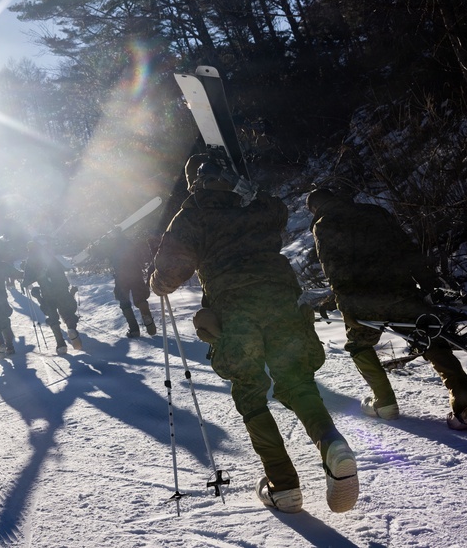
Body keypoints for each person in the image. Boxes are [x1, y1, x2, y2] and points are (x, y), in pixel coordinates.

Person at [149, 153, 359, 514]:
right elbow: (277, 211)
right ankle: (332, 445)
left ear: (194, 182)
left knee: (249, 390)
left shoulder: (193, 212)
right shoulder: (254, 204)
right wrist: (249, 190)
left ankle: (284, 485)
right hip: (281, 297)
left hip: (235, 307)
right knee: (296, 381)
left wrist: (157, 281)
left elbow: (168, 274)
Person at [306, 188, 467, 430]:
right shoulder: (375, 212)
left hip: (363, 301)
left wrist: (340, 301)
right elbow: (408, 250)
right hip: (402, 290)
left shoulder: (324, 225)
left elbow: (335, 271)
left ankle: (385, 402)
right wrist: (429, 283)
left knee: (359, 345)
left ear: (315, 208)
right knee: (428, 337)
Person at [88, 227, 156, 337]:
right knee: (140, 297)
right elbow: (138, 255)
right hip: (135, 273)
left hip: (121, 276)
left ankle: (134, 330)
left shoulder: (110, 245)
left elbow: (97, 254)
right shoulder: (128, 242)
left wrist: (93, 247)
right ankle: (146, 315)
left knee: (124, 301)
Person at [22, 236, 83, 354]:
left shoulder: (30, 260)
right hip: (61, 288)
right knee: (67, 312)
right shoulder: (49, 255)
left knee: (52, 317)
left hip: (47, 292)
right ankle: (71, 328)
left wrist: (26, 283)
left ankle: (61, 345)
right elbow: (65, 267)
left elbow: (27, 279)